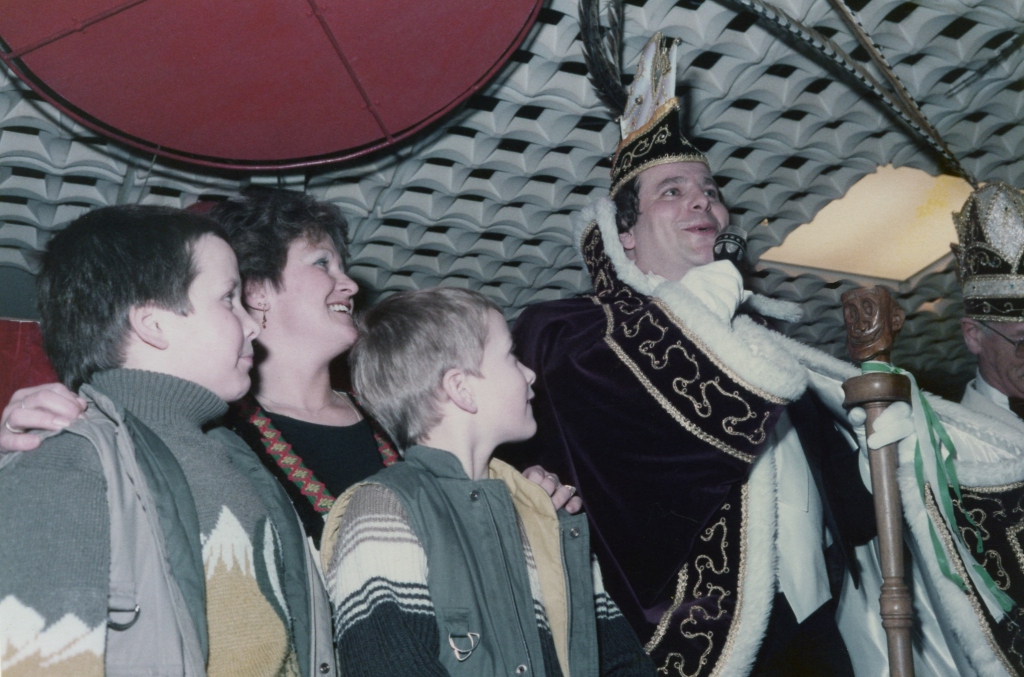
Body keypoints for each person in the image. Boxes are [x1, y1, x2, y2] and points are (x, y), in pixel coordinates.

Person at [504, 34, 877, 675]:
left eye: (708, 189)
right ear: (624, 233)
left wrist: (881, 448)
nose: (702, 199)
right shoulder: (570, 333)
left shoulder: (768, 353)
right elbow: (622, 428)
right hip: (686, 644)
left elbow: (849, 507)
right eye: (671, 191)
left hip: (815, 628)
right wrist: (699, 308)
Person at [0, 189, 582, 546]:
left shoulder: (399, 417)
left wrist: (518, 502)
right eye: (323, 263)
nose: (350, 285)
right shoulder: (208, 435)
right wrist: (29, 432)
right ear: (255, 291)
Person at [0, 205, 334, 676]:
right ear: (153, 324)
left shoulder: (241, 464)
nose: (253, 325)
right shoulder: (63, 462)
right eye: (228, 299)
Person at [320, 287, 654, 676]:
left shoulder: (544, 511)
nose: (529, 373)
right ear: (461, 389)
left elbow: (621, 661)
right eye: (511, 355)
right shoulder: (382, 510)